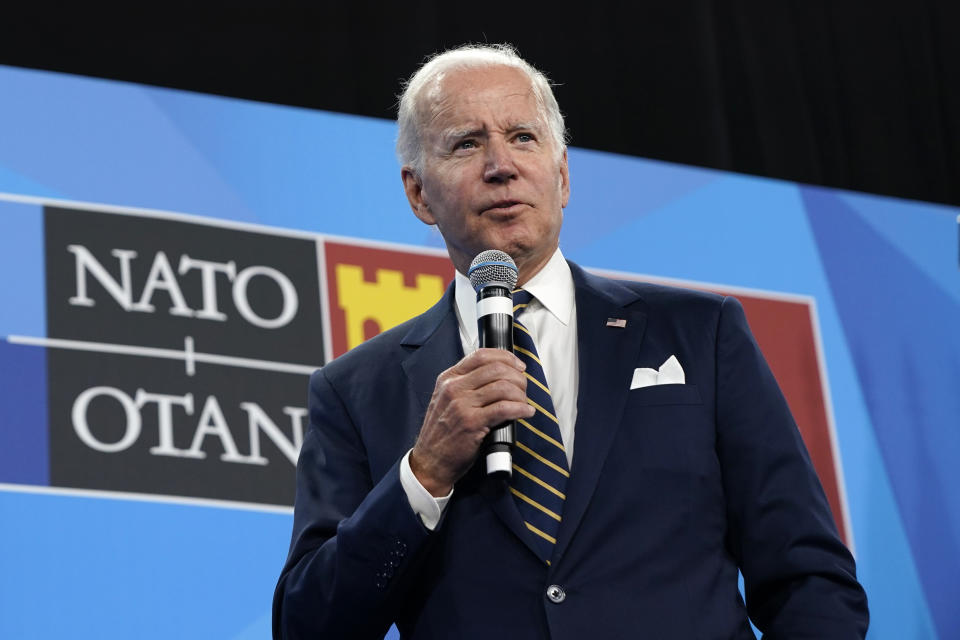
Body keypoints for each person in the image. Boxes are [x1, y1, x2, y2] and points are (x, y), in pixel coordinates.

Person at [273, 44, 868, 639]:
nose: (501, 165)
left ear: (562, 176)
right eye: (466, 143)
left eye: (523, 137)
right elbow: (309, 625)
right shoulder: (355, 390)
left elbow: (807, 575)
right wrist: (424, 473)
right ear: (418, 194)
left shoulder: (699, 333)